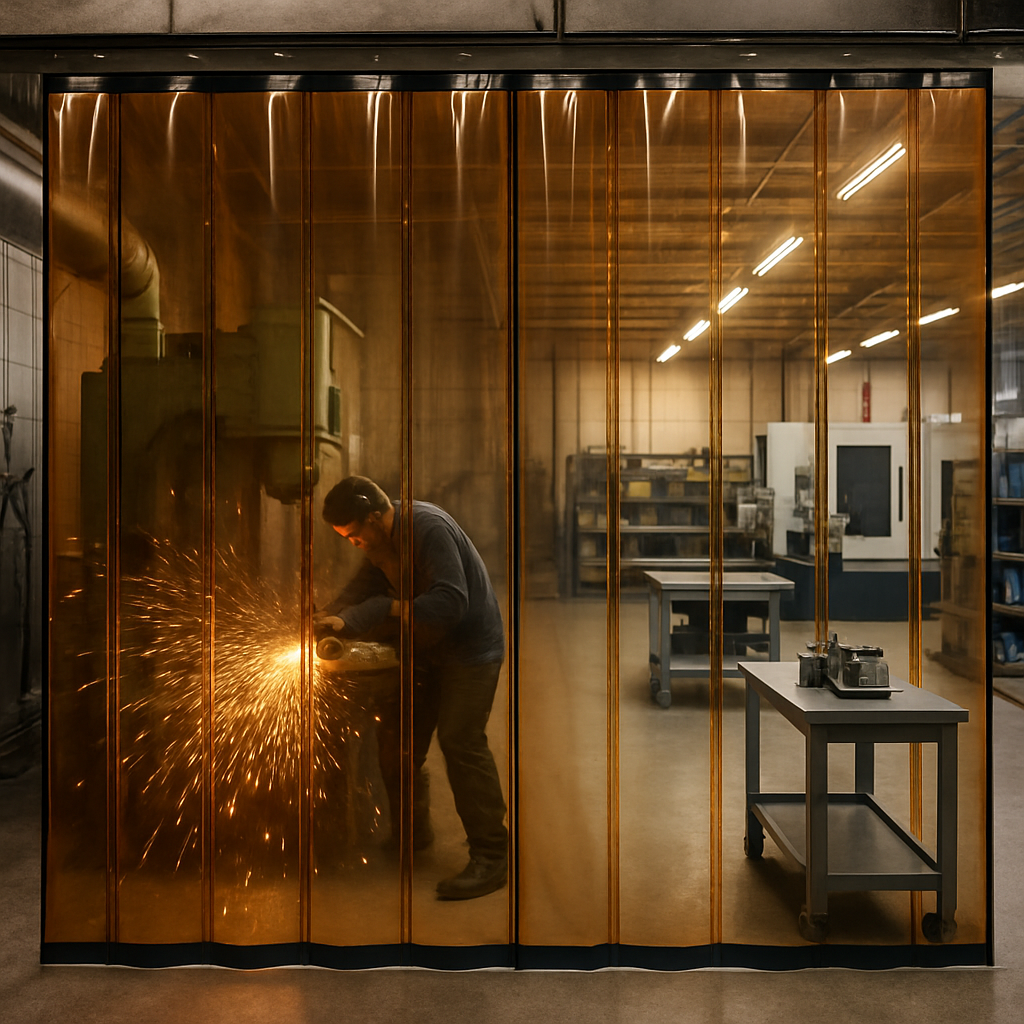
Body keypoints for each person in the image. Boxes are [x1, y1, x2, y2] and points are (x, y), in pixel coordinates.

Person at [315, 475, 508, 901]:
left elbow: (451, 601)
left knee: (460, 741)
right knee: (398, 741)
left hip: (470, 652)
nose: (352, 543)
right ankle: (412, 832)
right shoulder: (382, 540)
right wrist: (328, 615)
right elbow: (362, 588)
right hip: (426, 651)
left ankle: (492, 857)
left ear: (372, 518)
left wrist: (384, 609)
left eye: (352, 535)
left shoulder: (427, 529)